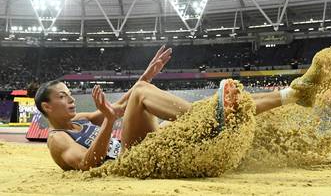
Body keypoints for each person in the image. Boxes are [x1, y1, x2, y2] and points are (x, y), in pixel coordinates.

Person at [28, 45, 301, 171]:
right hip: (126, 163)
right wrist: (110, 122)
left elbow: (122, 107)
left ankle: (292, 95)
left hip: (137, 149)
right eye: (63, 97)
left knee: (208, 105)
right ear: (47, 107)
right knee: (149, 95)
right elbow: (89, 164)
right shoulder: (58, 140)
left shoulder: (82, 119)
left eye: (69, 94)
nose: (71, 99)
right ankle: (207, 119)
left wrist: (147, 74)